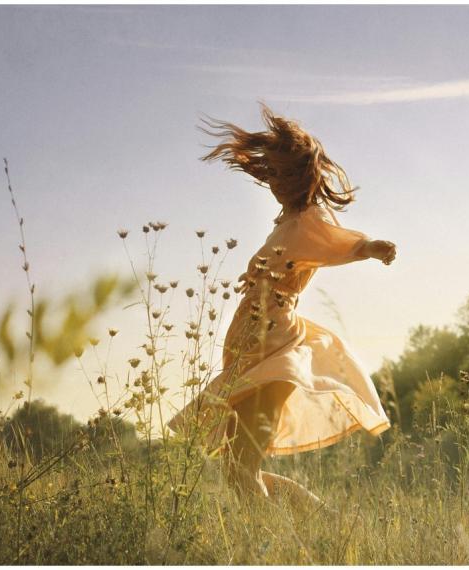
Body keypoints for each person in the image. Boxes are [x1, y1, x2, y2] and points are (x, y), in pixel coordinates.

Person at [167, 103, 396, 511]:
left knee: (241, 469)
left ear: (299, 176)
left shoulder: (309, 218)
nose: (273, 181)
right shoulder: (287, 220)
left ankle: (293, 538)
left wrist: (370, 248)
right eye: (270, 172)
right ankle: (325, 523)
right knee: (236, 467)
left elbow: (338, 243)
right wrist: (255, 278)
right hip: (248, 345)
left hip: (273, 344)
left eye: (281, 173)